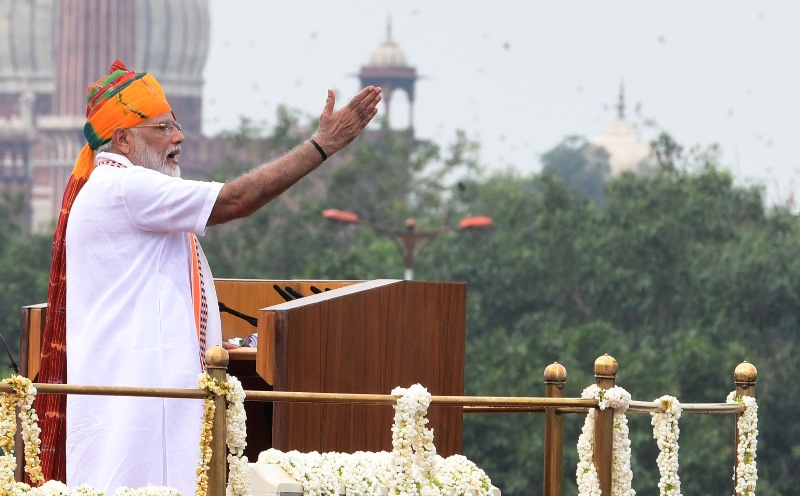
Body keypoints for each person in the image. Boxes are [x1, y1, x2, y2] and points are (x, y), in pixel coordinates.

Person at [35, 60, 381, 495]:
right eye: (161, 128)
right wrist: (320, 146)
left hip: (145, 401)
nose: (178, 137)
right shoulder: (125, 187)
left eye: (176, 126)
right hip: (140, 410)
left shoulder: (123, 191)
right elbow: (236, 201)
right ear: (122, 139)